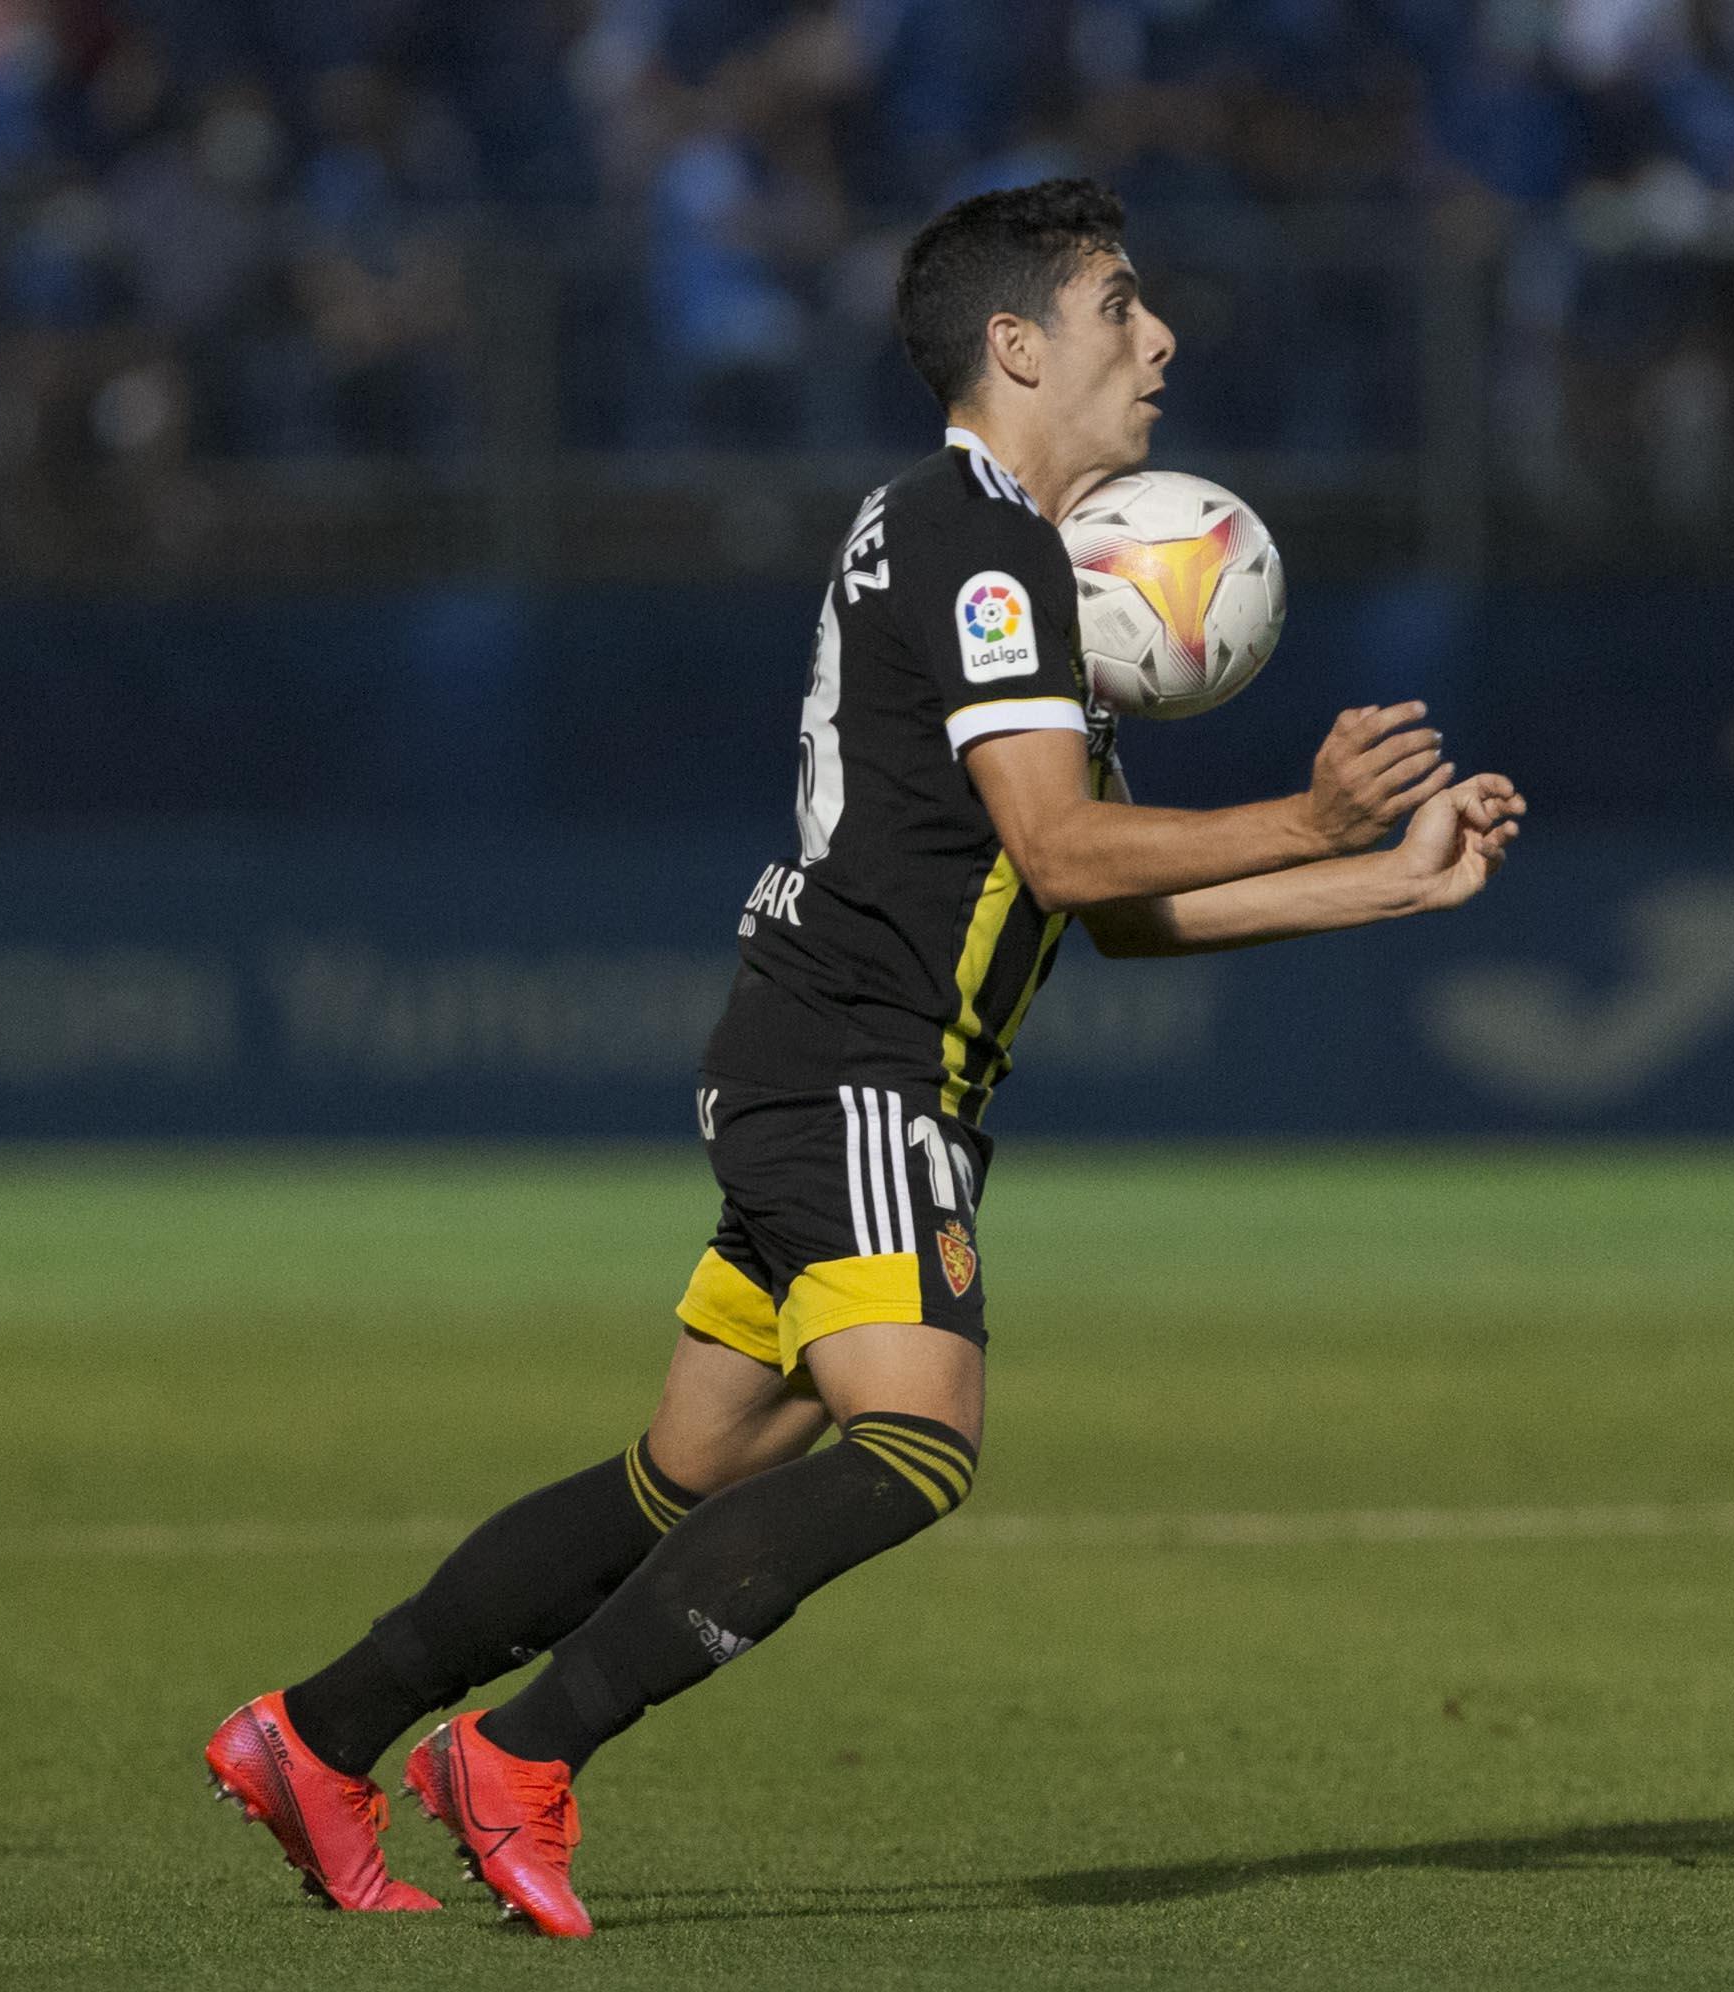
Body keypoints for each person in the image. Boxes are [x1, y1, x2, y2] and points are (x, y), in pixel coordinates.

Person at [200, 178, 1526, 1939]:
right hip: (861, 1065)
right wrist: (1306, 812)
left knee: (684, 1475)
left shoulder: (989, 545)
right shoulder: (983, 546)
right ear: (1016, 346)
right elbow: (1064, 851)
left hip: (822, 1053)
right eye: (1120, 307)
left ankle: (317, 1735)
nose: (1160, 339)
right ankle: (518, 1755)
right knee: (918, 1443)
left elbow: (1116, 914)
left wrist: (1388, 880)